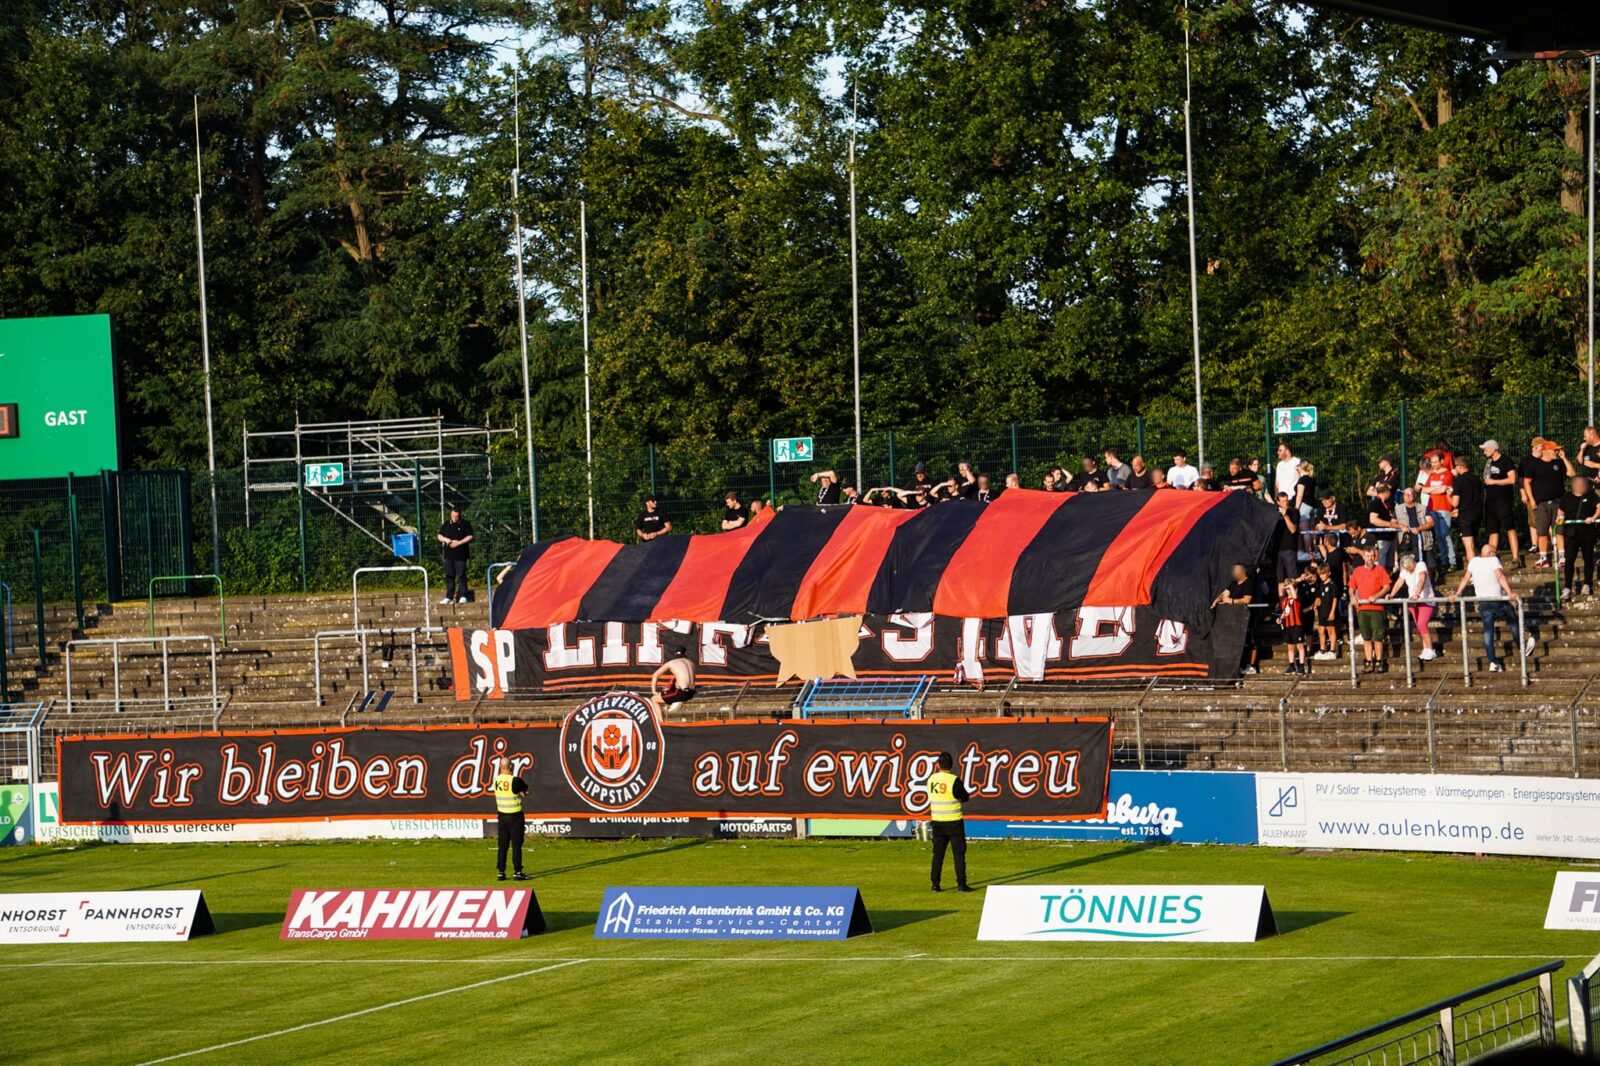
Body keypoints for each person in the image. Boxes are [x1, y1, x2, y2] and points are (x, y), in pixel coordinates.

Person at [1449, 544, 1535, 673]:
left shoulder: (1473, 562)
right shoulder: (1493, 560)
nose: (1496, 555)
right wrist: (1509, 592)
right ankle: (1522, 646)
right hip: (1496, 600)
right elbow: (1500, 576)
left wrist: (1457, 593)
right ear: (1490, 553)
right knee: (1512, 618)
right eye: (1495, 553)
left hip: (1483, 602)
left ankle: (1493, 662)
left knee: (1488, 631)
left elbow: (1466, 578)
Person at [1520, 437, 1570, 569]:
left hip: (1559, 502)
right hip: (1541, 503)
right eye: (1555, 450)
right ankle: (1543, 558)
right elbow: (1526, 482)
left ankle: (1562, 557)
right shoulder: (1534, 464)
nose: (1557, 452)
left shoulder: (1558, 463)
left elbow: (1572, 473)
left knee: (1559, 529)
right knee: (1542, 531)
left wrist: (1564, 458)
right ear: (1547, 451)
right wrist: (1531, 499)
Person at [926, 752, 972, 893]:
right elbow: (965, 797)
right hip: (954, 823)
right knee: (958, 855)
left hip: (937, 822)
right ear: (951, 765)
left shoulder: (931, 779)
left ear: (938, 765)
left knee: (938, 855)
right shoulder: (954, 780)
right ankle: (961, 885)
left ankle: (935, 884)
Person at [1349, 547, 1392, 674]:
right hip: (1362, 609)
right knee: (1366, 637)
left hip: (1377, 608)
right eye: (1368, 556)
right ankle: (1369, 661)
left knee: (1378, 637)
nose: (1370, 558)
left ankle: (1379, 661)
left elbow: (1387, 586)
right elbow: (1351, 587)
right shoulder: (1357, 571)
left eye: (1372, 556)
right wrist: (1352, 596)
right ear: (1363, 557)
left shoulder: (1380, 569)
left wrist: (1376, 596)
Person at [1389, 553, 1438, 661]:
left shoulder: (1421, 565)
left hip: (1425, 600)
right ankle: (1425, 649)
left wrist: (1417, 593)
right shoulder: (1404, 571)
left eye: (1410, 568)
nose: (1409, 570)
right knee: (1419, 627)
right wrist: (1392, 594)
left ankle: (1430, 649)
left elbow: (1422, 579)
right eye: (1406, 569)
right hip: (1413, 602)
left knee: (1422, 624)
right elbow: (1399, 583)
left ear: (1413, 563)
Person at [1481, 440, 1521, 566]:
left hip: (1504, 500)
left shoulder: (1506, 461)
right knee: (1493, 530)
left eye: (1486, 449)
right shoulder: (1488, 463)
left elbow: (1512, 479)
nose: (1484, 452)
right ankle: (1491, 559)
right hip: (1490, 501)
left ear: (1493, 448)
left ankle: (1516, 557)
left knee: (1509, 527)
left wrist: (1494, 482)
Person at [1558, 475, 1600, 597]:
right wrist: (1560, 518)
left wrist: (1593, 517)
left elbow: (1599, 507)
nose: (1583, 487)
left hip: (1587, 532)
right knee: (1569, 560)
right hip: (1572, 533)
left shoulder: (1591, 495)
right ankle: (1567, 587)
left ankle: (1587, 584)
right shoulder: (1566, 497)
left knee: (1588, 558)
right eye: (1580, 485)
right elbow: (1561, 512)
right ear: (1574, 486)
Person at [490, 754, 529, 882]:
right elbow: (526, 791)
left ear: (500, 767)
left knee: (503, 845)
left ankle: (501, 872)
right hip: (515, 816)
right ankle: (518, 872)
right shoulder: (515, 780)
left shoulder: (496, 780)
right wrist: (522, 792)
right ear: (511, 767)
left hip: (502, 816)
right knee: (516, 845)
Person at [1421, 453, 1456, 570]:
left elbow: (1443, 489)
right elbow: (1424, 489)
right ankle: (1444, 561)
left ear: (1442, 461)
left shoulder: (1448, 474)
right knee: (1439, 536)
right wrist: (1436, 489)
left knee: (1445, 535)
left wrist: (1432, 490)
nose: (1433, 464)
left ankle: (1452, 561)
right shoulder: (1432, 474)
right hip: (1432, 508)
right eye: (1432, 462)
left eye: (1435, 462)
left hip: (1444, 507)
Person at [1450, 455, 1484, 565]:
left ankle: (1474, 571)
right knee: (1474, 544)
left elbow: (1455, 503)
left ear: (1459, 466)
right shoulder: (1476, 479)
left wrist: (1448, 495)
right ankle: (1482, 566)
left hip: (1466, 516)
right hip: (1477, 514)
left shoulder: (1458, 480)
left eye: (1455, 466)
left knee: (1469, 546)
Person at [437, 506, 474, 605]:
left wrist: (459, 542)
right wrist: (445, 540)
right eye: (453, 516)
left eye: (456, 517)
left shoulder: (465, 524)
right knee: (449, 576)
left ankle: (463, 595)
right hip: (448, 555)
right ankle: (449, 596)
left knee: (461, 575)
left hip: (461, 555)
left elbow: (470, 536)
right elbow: (439, 535)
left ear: (459, 515)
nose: (454, 518)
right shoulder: (446, 524)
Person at [1394, 487, 1437, 573]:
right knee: (1411, 566)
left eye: (1409, 494)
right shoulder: (1398, 509)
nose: (1407, 496)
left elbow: (1431, 523)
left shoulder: (1423, 508)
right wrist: (1401, 526)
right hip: (1408, 541)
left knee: (1430, 566)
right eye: (1405, 494)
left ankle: (1430, 580)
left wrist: (1419, 528)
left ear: (1415, 496)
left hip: (1424, 539)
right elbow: (1392, 523)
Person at [650, 646, 697, 713]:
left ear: (675, 654)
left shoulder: (671, 663)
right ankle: (678, 699)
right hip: (692, 692)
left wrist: (654, 691)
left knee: (654, 699)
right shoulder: (691, 663)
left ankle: (661, 721)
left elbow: (655, 675)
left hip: (682, 693)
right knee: (675, 679)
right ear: (686, 653)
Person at [1366, 483, 1401, 572]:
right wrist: (1389, 524)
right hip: (1380, 538)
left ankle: (1388, 579)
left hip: (1390, 537)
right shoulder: (1376, 503)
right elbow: (1373, 520)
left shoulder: (1387, 503)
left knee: (1389, 565)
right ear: (1386, 492)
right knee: (1380, 564)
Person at [1278, 579, 1307, 674]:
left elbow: (1294, 596)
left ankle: (1301, 666)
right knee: (1290, 647)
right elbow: (1285, 612)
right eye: (1287, 589)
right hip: (1288, 626)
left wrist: (1290, 586)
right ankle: (1291, 666)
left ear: (1295, 589)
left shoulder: (1297, 598)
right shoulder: (1285, 600)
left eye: (1291, 588)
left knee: (1299, 646)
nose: (1289, 591)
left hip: (1297, 626)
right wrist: (1280, 618)